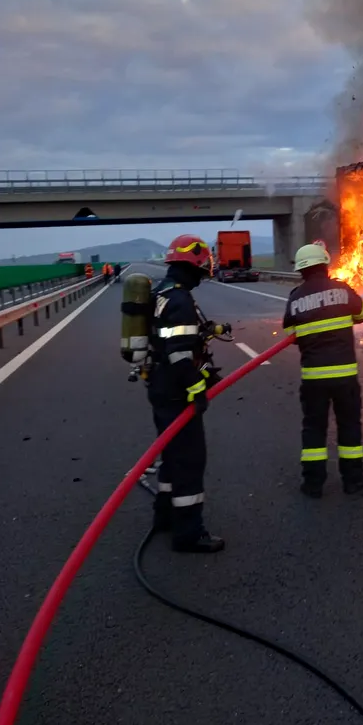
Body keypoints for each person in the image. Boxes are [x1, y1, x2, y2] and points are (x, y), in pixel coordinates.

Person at [146, 233, 224, 553]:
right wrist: (197, 389)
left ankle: (165, 516)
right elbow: (179, 352)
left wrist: (210, 330)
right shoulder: (180, 300)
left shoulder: (161, 293)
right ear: (194, 265)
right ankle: (189, 533)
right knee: (190, 461)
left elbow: (169, 337)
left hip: (160, 385)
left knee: (171, 456)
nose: (203, 274)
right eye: (202, 268)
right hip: (177, 391)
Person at [283, 243, 363, 498]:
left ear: (301, 270)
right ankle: (353, 480)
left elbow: (291, 333)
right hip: (345, 376)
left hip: (313, 379)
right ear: (324, 264)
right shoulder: (342, 289)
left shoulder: (295, 298)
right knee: (349, 426)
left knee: (313, 428)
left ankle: (313, 484)